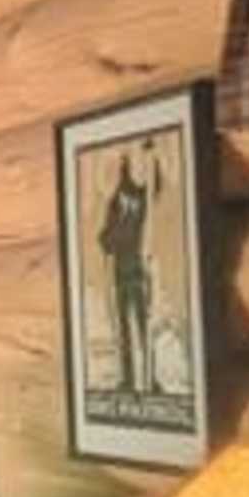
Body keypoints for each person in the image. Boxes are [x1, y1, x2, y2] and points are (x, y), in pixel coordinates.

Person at [97, 146, 155, 400]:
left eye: (125, 177)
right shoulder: (114, 206)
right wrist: (111, 237)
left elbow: (117, 235)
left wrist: (115, 236)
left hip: (138, 269)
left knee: (144, 325)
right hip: (120, 271)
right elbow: (105, 239)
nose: (122, 188)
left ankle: (151, 378)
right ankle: (129, 379)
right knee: (123, 328)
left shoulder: (143, 199)